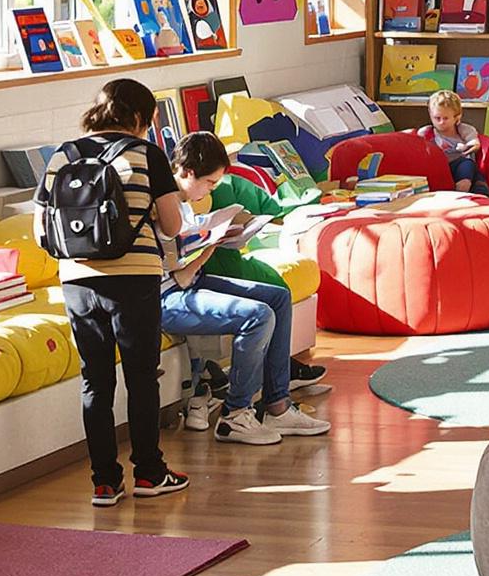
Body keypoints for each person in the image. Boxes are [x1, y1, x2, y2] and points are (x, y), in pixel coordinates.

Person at [45, 78, 195, 506]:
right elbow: (171, 225)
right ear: (137, 118)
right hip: (134, 277)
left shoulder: (63, 155)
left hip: (77, 281)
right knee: (141, 377)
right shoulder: (148, 155)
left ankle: (104, 483)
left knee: (95, 380)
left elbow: (42, 228)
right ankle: (149, 473)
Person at [159, 134, 330, 445]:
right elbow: (181, 275)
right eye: (210, 183)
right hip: (168, 295)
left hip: (188, 283)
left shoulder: (182, 203)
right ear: (185, 171)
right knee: (258, 315)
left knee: (277, 297)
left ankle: (277, 405)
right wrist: (212, 243)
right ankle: (235, 414)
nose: (211, 189)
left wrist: (220, 234)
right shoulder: (164, 205)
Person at [413, 89, 489, 194]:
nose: (441, 122)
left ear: (457, 117)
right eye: (437, 118)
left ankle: (467, 191)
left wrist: (468, 146)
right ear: (430, 115)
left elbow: (474, 143)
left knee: (469, 166)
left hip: (463, 168)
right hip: (439, 169)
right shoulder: (426, 133)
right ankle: (460, 195)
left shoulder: (464, 129)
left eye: (445, 118)